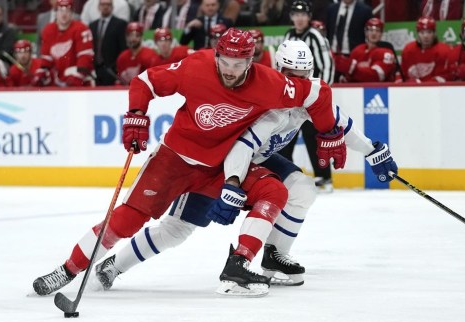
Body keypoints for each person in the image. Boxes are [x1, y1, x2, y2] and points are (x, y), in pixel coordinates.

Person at [32, 28, 342, 297]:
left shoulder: (270, 83)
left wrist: (329, 131)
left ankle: (241, 264)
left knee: (268, 194)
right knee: (126, 221)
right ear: (216, 56)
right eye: (225, 62)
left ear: (251, 61)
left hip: (219, 168)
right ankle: (67, 270)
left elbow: (318, 92)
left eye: (239, 64)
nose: (231, 70)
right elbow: (144, 82)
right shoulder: (196, 66)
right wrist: (137, 115)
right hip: (173, 159)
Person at [92, 40, 398, 293]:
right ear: (281, 70)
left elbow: (340, 124)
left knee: (302, 190)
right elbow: (242, 147)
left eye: (306, 73)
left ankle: (272, 256)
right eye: (294, 73)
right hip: (223, 164)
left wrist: (374, 151)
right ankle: (115, 264)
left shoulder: (305, 96)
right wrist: (233, 183)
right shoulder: (270, 101)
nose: (301, 81)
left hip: (258, 162)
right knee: (178, 229)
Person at [280, 0, 335, 192]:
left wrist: (319, 96)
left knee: (314, 139)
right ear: (291, 17)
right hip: (292, 100)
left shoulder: (315, 36)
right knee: (285, 138)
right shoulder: (288, 35)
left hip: (311, 100)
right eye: (296, 14)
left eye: (303, 14)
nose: (300, 18)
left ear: (309, 17)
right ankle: (286, 176)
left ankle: (324, 178)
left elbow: (328, 65)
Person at [38, 0, 95, 87]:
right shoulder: (48, 30)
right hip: (59, 80)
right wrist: (42, 73)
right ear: (56, 12)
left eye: (67, 11)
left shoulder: (82, 29)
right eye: (61, 11)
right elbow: (46, 59)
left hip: (81, 79)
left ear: (72, 13)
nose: (64, 14)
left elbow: (85, 57)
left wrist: (78, 76)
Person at [334, 18, 397, 82]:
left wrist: (352, 69)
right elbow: (347, 78)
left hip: (380, 90)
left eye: (377, 30)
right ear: (365, 32)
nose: (374, 33)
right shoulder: (356, 50)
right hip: (357, 90)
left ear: (381, 33)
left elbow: (376, 76)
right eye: (370, 30)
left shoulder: (387, 53)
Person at [400, 16, 451, 83]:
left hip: (436, 91)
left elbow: (443, 77)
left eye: (429, 32)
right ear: (417, 33)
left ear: (434, 33)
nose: (425, 36)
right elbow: (402, 74)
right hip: (412, 90)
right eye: (422, 32)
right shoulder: (408, 50)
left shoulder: (444, 51)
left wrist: (423, 86)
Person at [89, 0, 128, 86]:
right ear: (98, 7)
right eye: (103, 4)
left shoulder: (120, 24)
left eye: (108, 4)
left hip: (112, 70)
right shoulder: (92, 25)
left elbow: (123, 48)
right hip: (95, 69)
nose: (105, 7)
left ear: (112, 7)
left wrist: (117, 67)